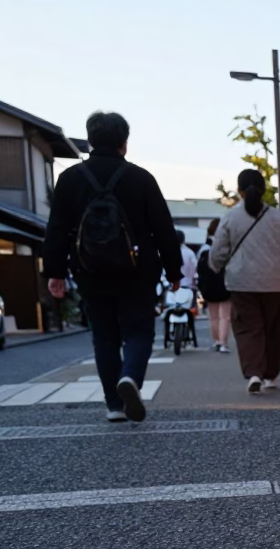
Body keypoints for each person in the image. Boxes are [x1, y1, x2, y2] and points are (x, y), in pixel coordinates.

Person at [43, 111, 183, 423]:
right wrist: (174, 272)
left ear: (90, 140)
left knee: (104, 336)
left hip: (90, 270)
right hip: (137, 271)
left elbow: (57, 229)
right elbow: (163, 228)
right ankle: (130, 376)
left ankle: (114, 405)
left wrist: (55, 271)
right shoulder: (141, 178)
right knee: (139, 330)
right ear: (124, 143)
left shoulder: (69, 179)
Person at [209, 169, 280, 393]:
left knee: (248, 328)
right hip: (275, 282)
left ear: (239, 191)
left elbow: (218, 252)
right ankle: (271, 375)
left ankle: (254, 373)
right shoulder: (278, 218)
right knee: (273, 328)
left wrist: (216, 266)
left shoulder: (230, 218)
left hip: (241, 283)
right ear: (263, 190)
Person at [197, 218, 232, 352]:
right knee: (225, 316)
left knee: (213, 316)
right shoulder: (227, 246)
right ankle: (223, 343)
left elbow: (199, 269)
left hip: (209, 285)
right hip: (225, 283)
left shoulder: (204, 248)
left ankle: (216, 341)